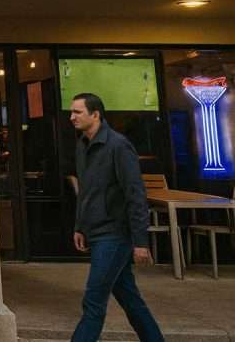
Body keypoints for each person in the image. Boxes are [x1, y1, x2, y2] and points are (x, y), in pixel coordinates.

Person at [69, 93, 164, 342]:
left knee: (93, 301)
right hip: (97, 232)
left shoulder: (118, 146)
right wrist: (80, 226)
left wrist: (141, 241)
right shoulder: (82, 145)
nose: (72, 117)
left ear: (96, 114)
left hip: (115, 234)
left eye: (78, 112)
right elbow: (86, 191)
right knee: (130, 299)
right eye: (72, 112)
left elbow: (135, 194)